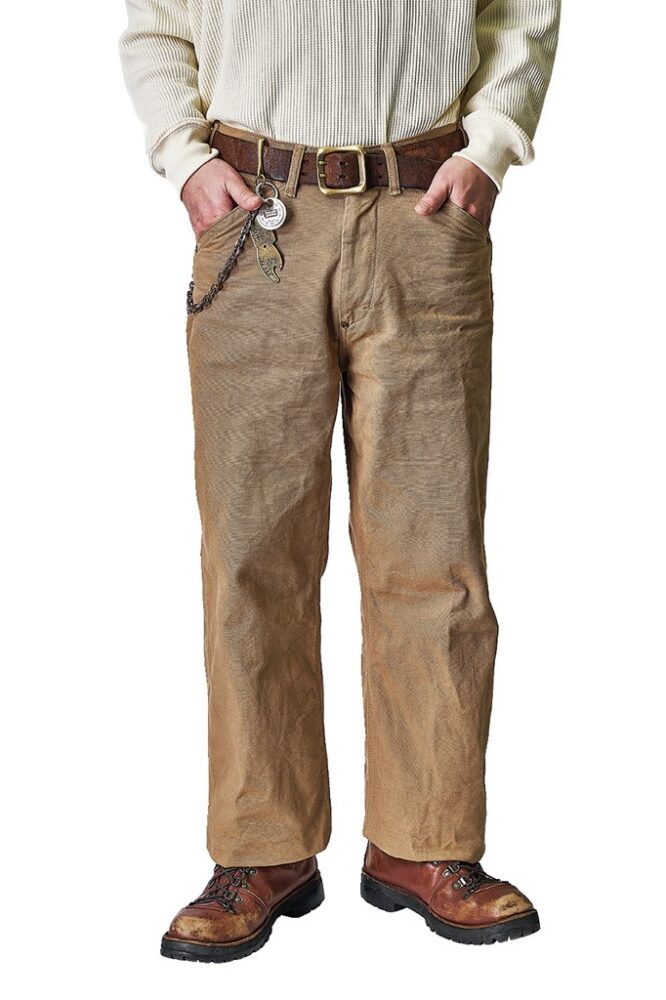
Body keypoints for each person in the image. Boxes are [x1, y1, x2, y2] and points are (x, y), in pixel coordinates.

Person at [118, 0, 561, 962]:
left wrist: (491, 146)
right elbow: (155, 26)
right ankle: (262, 848)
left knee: (433, 554)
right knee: (252, 557)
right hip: (253, 212)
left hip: (426, 209)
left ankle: (426, 842)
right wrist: (186, 159)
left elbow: (523, 11)